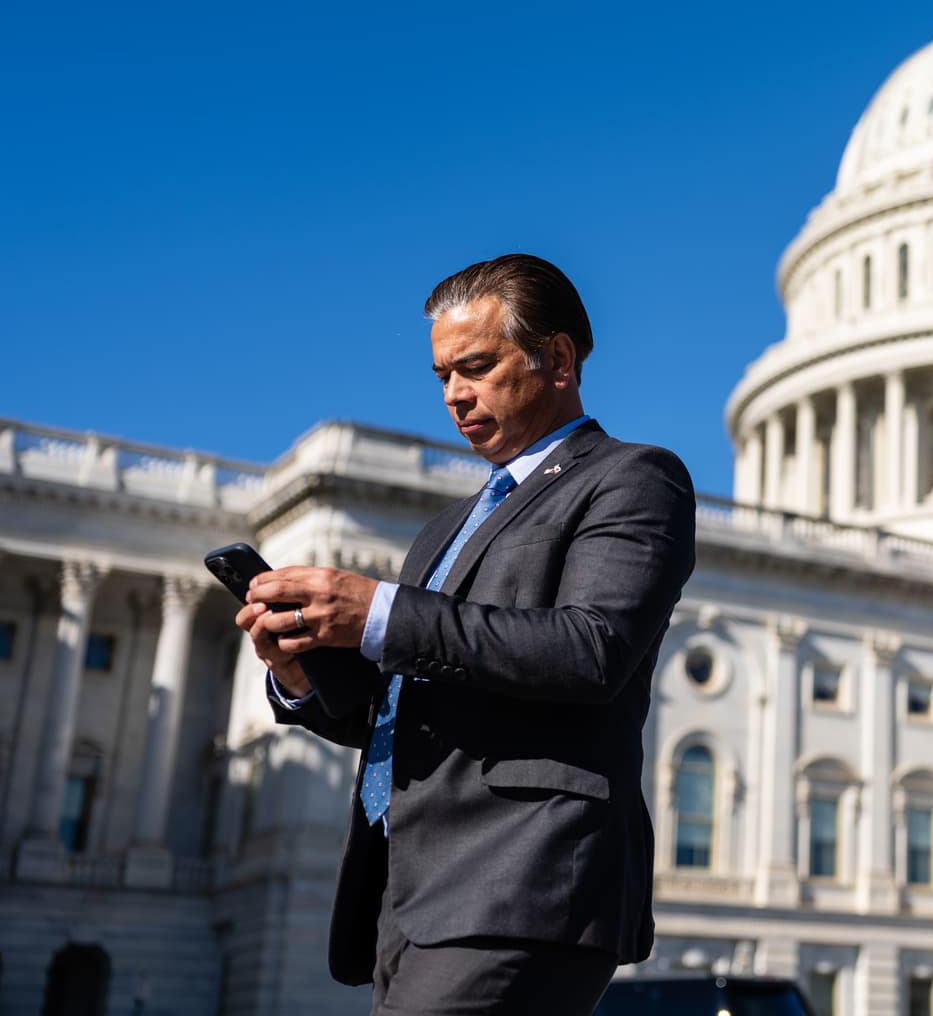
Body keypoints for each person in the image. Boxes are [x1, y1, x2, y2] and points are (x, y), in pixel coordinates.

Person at [232, 253, 695, 1014]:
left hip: (524, 874)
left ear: (557, 358)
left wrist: (379, 612)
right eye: (443, 374)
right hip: (409, 889)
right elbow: (403, 716)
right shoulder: (445, 530)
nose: (454, 394)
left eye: (475, 367)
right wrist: (302, 676)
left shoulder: (633, 479)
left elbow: (591, 651)